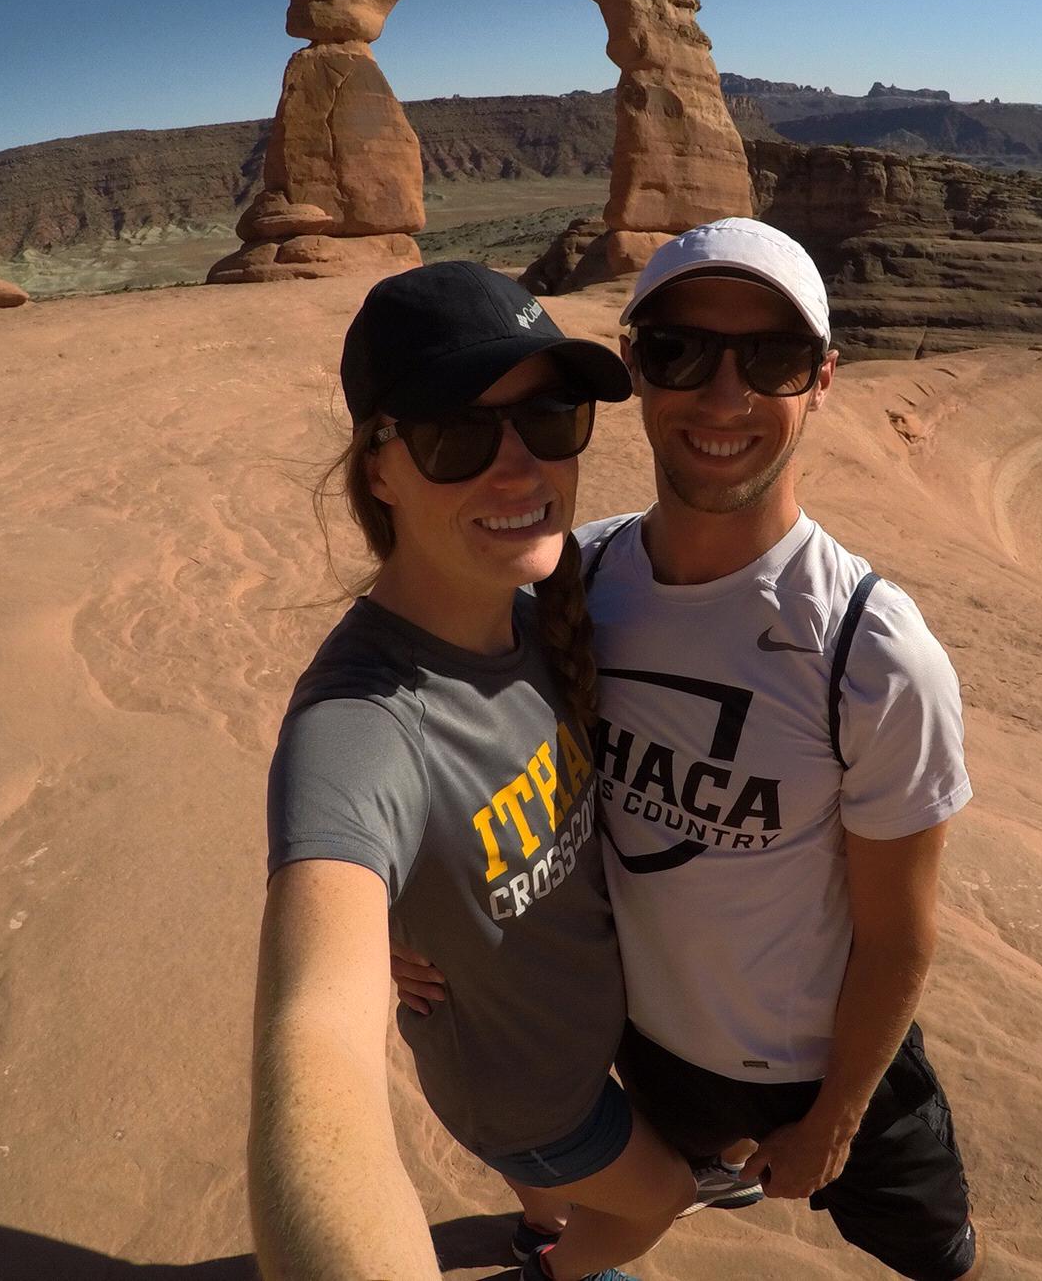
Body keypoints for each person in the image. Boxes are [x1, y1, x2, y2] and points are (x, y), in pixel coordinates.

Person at [399, 219, 984, 1280]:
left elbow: (898, 936)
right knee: (620, 1201)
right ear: (633, 367)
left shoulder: (872, 652)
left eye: (770, 358)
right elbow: (430, 731)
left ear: (821, 383)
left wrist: (838, 1121)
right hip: (645, 1047)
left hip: (821, 1068)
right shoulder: (571, 576)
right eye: (678, 352)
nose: (723, 397)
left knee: (935, 1258)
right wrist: (395, 912)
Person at [249, 261, 694, 1281]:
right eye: (458, 434)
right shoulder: (363, 721)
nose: (518, 471)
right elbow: (316, 1038)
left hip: (552, 1048)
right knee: (657, 1195)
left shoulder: (542, 613)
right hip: (526, 1093)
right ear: (379, 467)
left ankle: (540, 1227)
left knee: (546, 1191)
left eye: (547, 420)